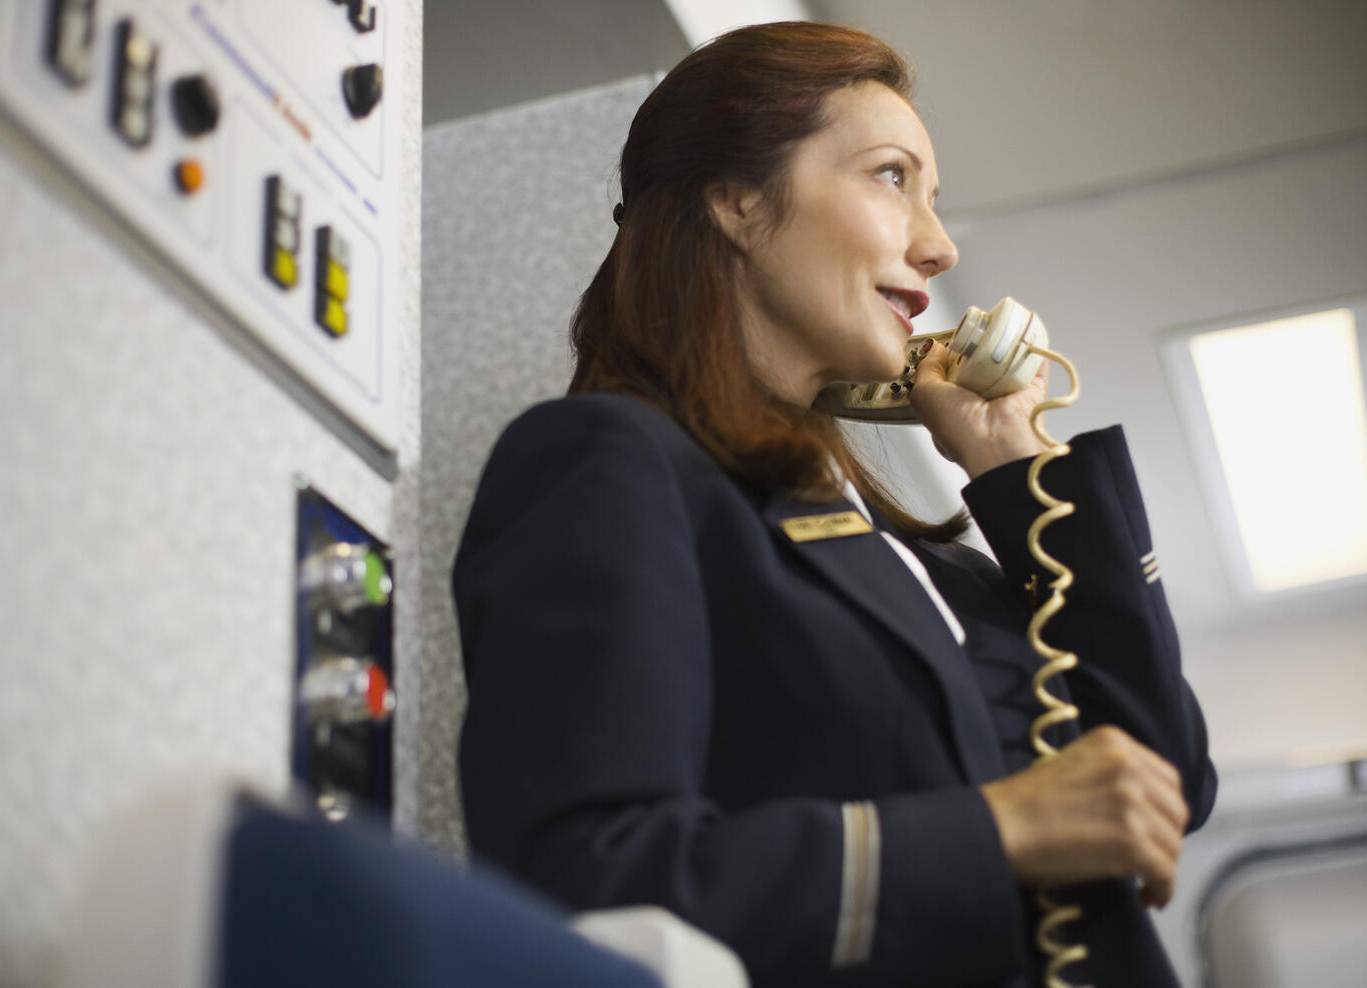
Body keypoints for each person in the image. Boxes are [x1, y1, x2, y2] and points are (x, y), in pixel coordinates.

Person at [453, 21, 1217, 988]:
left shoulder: (932, 566)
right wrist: (996, 831)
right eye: (892, 177)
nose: (937, 247)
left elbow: (1167, 783)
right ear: (736, 197)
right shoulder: (610, 464)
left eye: (933, 199)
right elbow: (579, 878)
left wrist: (1017, 468)